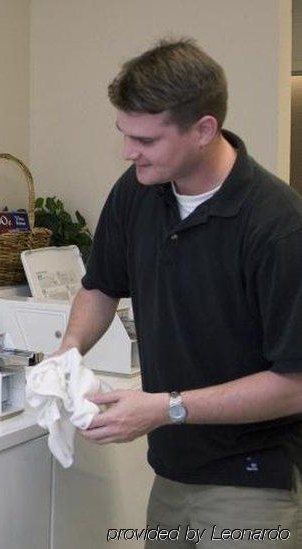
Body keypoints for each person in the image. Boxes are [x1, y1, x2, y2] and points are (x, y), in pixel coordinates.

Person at [58, 38, 302, 547]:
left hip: (251, 480)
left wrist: (165, 407)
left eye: (145, 139)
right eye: (124, 135)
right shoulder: (138, 190)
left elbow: (294, 382)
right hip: (172, 470)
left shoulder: (276, 226)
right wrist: (67, 354)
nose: (129, 152)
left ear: (203, 130)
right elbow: (101, 285)